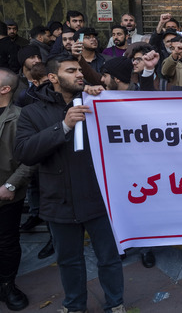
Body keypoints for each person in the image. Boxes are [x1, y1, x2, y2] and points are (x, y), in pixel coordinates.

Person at [14, 53, 126, 313]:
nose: (79, 74)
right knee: (68, 260)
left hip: (98, 197)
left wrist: (105, 96)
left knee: (109, 258)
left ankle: (116, 303)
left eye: (79, 70)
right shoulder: (32, 112)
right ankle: (74, 305)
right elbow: (24, 152)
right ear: (53, 77)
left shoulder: (95, 103)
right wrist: (62, 127)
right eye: (70, 70)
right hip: (58, 199)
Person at [0, 67, 36, 311]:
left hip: (5, 195)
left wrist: (11, 184)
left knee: (7, 242)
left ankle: (6, 285)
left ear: (5, 89)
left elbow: (32, 157)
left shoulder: (21, 117)